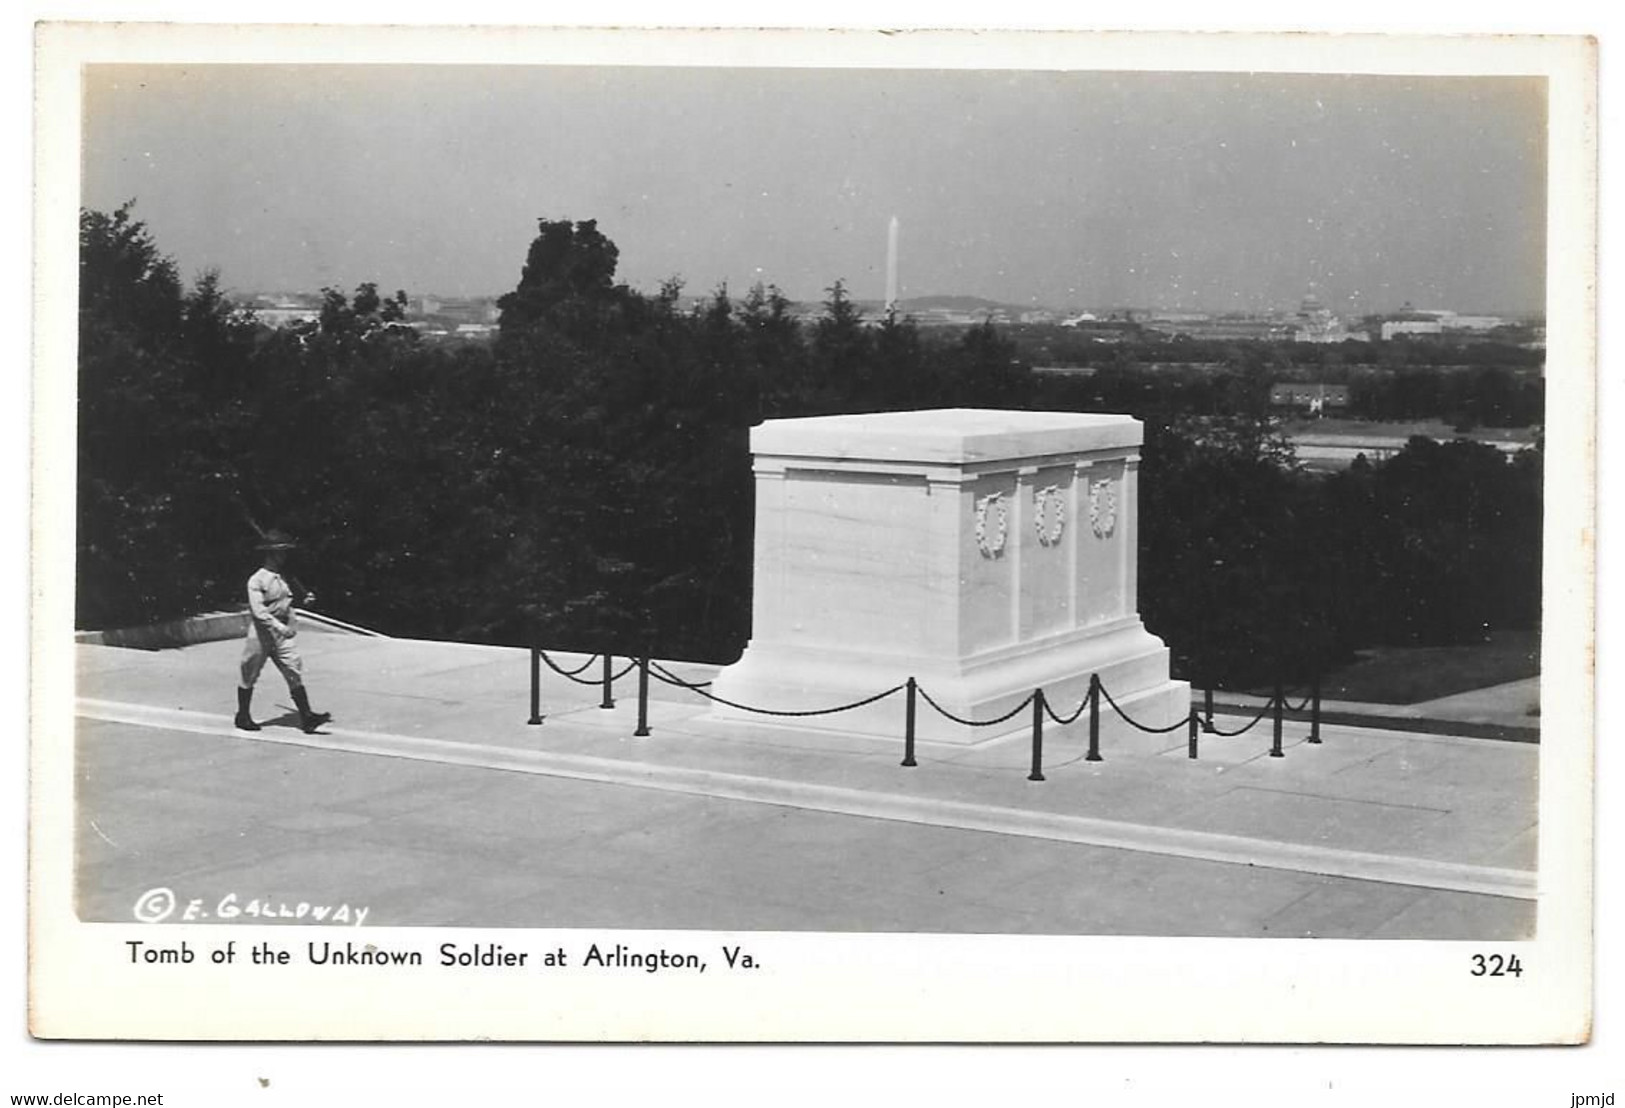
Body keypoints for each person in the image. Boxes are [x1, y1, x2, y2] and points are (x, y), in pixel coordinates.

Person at [234, 529, 333, 734]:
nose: (285, 556)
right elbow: (259, 612)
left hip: (282, 632)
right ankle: (243, 715)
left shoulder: (285, 578)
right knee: (249, 673)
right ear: (271, 554)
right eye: (281, 552)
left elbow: (285, 603)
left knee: (293, 670)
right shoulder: (256, 580)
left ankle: (306, 717)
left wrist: (305, 601)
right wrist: (280, 627)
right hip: (261, 634)